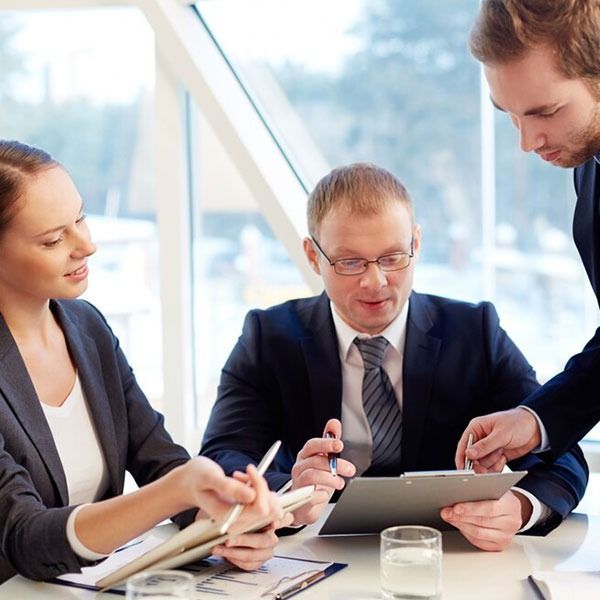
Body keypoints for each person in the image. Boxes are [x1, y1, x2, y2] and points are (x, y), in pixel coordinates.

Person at [201, 162, 587, 552]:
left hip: (445, 553)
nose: (376, 281)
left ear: (416, 244)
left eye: (392, 258)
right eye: (350, 262)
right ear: (313, 256)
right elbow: (221, 458)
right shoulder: (269, 337)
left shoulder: (474, 333)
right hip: (308, 553)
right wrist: (288, 496)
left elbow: (559, 453)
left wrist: (520, 508)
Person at [0, 140, 291, 584]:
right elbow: (25, 538)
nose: (87, 245)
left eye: (80, 218)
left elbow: (162, 461)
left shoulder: (87, 328)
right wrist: (172, 493)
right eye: (54, 239)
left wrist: (228, 522)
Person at [454, 0, 600, 471]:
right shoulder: (589, 167)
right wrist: (535, 418)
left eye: (545, 112)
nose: (526, 141)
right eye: (509, 114)